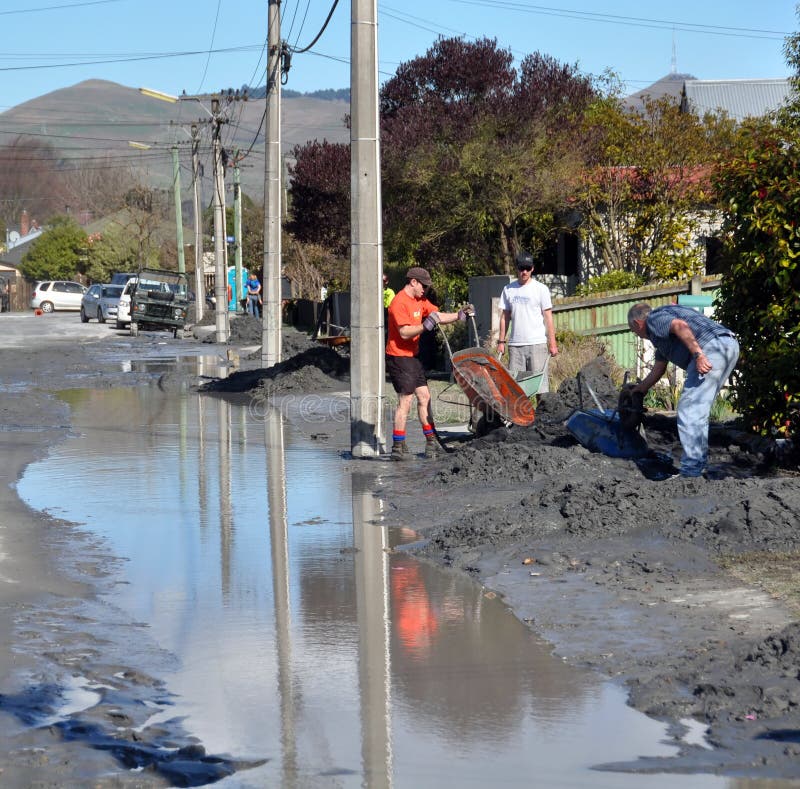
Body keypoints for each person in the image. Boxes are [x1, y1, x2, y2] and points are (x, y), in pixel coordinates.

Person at [627, 302, 739, 478]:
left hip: (710, 348)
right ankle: (697, 467)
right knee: (697, 410)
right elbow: (659, 368)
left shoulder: (654, 319)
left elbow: (680, 326)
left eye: (634, 331)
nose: (637, 335)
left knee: (690, 409)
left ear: (637, 323)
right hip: (727, 345)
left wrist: (698, 355)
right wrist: (640, 389)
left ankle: (691, 471)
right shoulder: (662, 338)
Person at [386, 266, 471, 461]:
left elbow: (437, 316)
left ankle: (431, 442)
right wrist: (425, 327)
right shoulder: (399, 302)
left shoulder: (420, 300)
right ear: (413, 282)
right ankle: (398, 447)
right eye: (423, 285)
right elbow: (404, 332)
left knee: (424, 396)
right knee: (405, 400)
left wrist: (459, 315)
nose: (425, 289)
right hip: (398, 356)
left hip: (412, 357)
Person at [497, 251, 559, 395]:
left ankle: (542, 417)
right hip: (515, 347)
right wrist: (501, 341)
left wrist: (553, 343)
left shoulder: (541, 289)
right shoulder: (508, 290)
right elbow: (505, 317)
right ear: (516, 268)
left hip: (537, 345)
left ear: (532, 269)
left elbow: (548, 317)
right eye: (521, 268)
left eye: (528, 268)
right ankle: (519, 417)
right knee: (516, 390)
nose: (524, 272)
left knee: (540, 390)